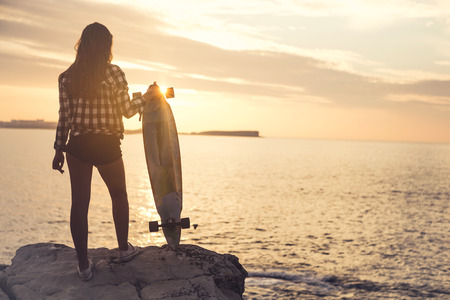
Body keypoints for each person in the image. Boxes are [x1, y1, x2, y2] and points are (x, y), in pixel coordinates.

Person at [52, 22, 159, 281]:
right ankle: (123, 249)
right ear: (105, 46)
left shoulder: (66, 77)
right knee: (119, 195)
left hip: (76, 145)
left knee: (79, 204)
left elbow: (64, 118)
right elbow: (127, 110)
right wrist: (148, 95)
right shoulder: (113, 73)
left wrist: (58, 149)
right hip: (106, 143)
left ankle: (83, 266)